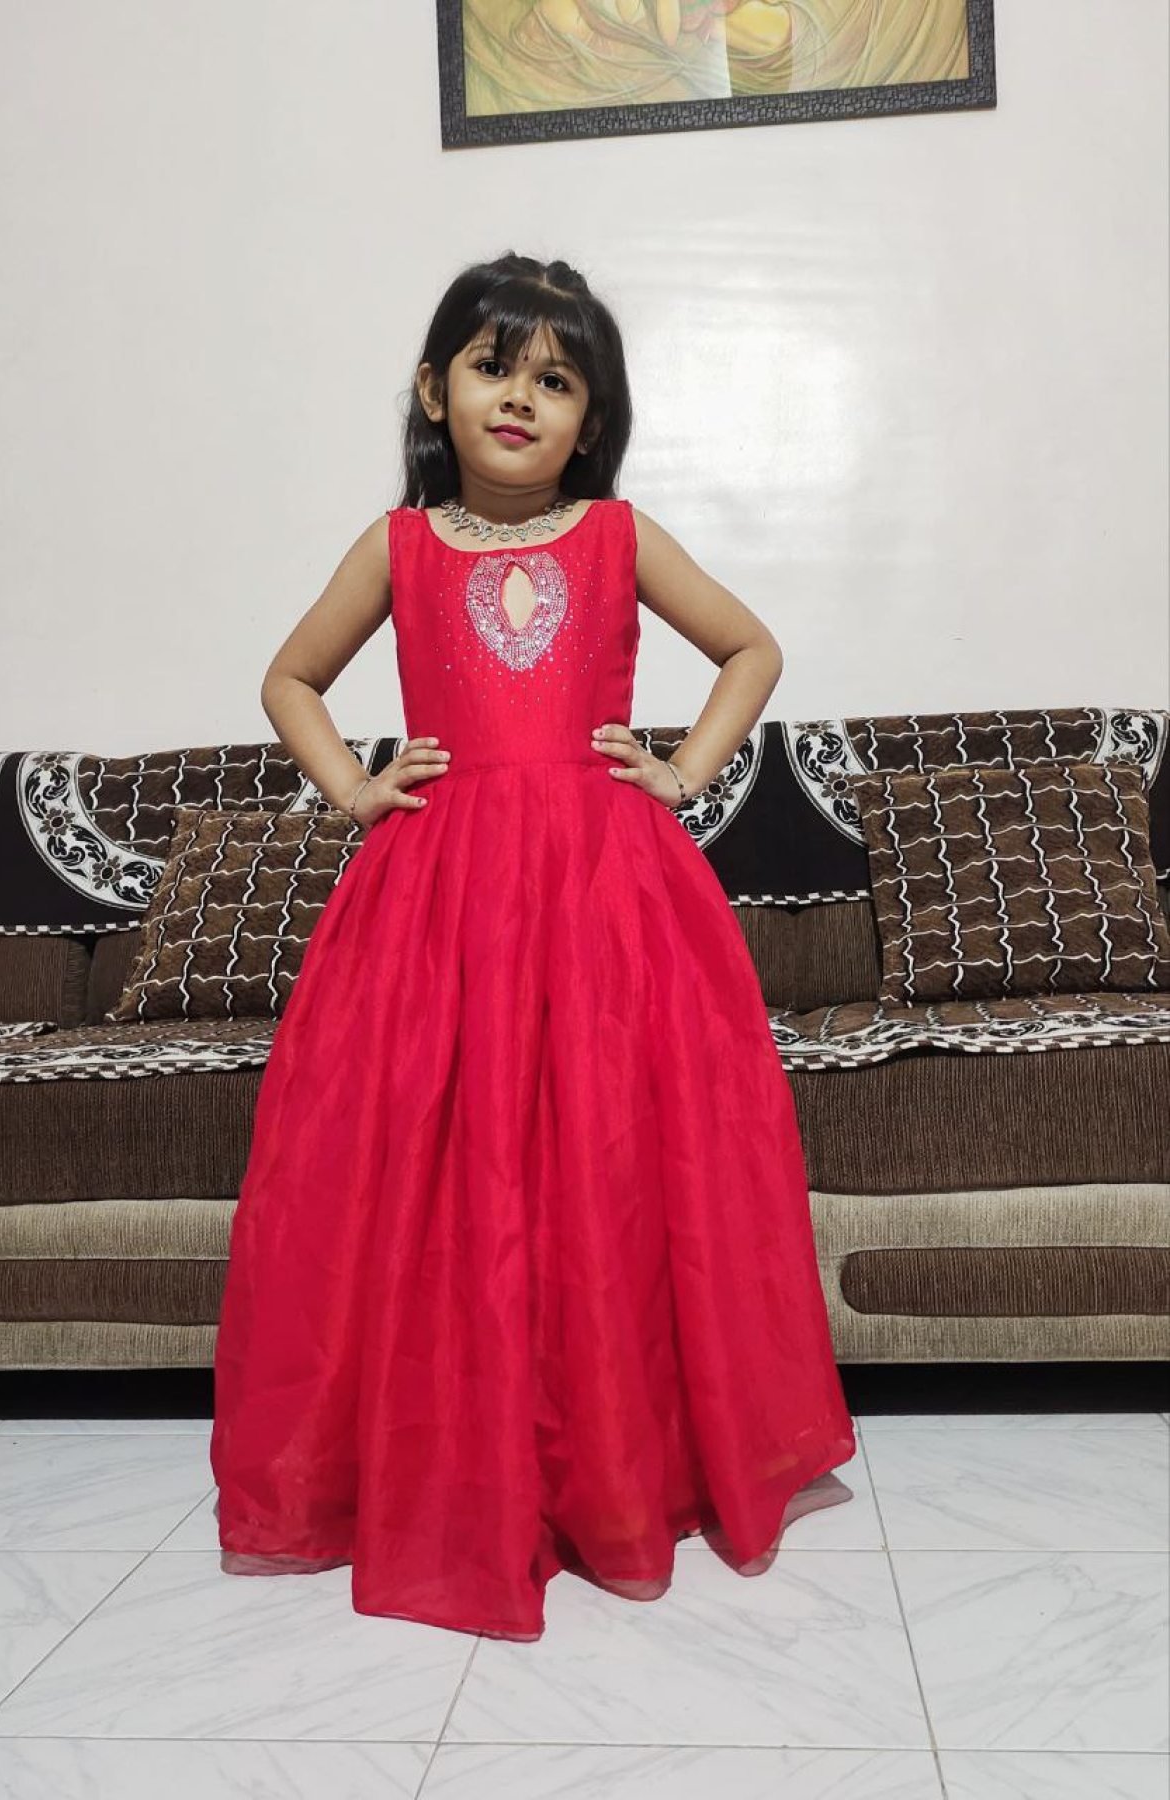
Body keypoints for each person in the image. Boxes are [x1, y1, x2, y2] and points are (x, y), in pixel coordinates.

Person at [208, 250, 856, 1643]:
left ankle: (613, 1470)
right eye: (492, 367)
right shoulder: (397, 547)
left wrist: (680, 773)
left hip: (602, 894)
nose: (519, 397)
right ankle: (458, 1463)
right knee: (443, 1169)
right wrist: (354, 788)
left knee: (606, 1161)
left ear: (591, 421)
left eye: (555, 381)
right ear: (431, 389)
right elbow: (289, 677)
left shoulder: (618, 538)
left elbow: (750, 648)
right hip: (439, 898)